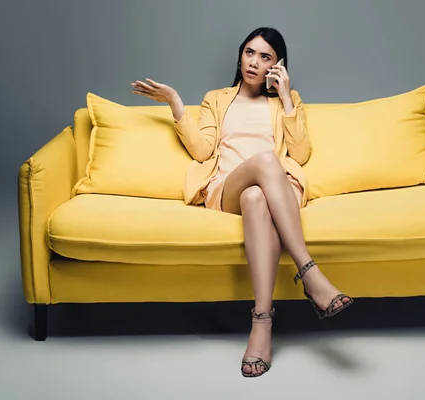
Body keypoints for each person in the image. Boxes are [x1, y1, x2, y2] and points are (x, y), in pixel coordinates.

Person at [131, 27, 353, 378]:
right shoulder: (216, 99)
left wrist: (287, 99)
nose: (254, 61)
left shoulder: (286, 100)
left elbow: (301, 152)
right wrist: (176, 103)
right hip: (228, 187)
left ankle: (261, 324)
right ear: (240, 56)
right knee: (263, 164)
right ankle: (310, 273)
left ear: (277, 65)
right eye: (250, 52)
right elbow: (203, 150)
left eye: (265, 57)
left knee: (257, 194)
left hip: (277, 189)